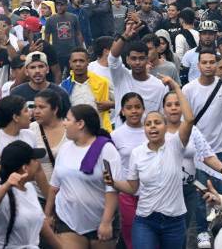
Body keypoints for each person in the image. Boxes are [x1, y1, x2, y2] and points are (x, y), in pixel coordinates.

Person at [104, 77, 193, 249]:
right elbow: (132, 187)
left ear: (165, 127)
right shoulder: (137, 153)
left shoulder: (175, 144)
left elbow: (189, 119)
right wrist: (113, 182)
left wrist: (175, 87)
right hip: (145, 220)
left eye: (157, 123)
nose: (153, 127)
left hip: (174, 220)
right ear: (144, 129)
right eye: (149, 124)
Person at [182, 50, 222, 248]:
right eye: (204, 62)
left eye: (211, 62)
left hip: (221, 149)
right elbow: (186, 122)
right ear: (198, 65)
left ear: (217, 65)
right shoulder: (188, 89)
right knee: (200, 194)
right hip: (198, 153)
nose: (208, 66)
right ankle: (202, 231)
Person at [45, 104, 119, 248]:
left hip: (100, 220)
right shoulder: (65, 148)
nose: (64, 123)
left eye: (67, 119)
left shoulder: (106, 149)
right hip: (67, 220)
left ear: (80, 124)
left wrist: (106, 222)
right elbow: (54, 186)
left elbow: (112, 189)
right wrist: (48, 214)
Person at [0, 140, 61, 249]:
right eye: (34, 160)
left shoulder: (29, 188)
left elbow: (41, 224)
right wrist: (7, 186)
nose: (38, 163)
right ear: (25, 167)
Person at [108, 14, 167, 123]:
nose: (137, 62)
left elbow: (162, 117)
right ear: (127, 60)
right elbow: (112, 58)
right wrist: (124, 36)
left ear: (147, 59)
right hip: (122, 138)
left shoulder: (159, 86)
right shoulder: (121, 77)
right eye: (133, 58)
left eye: (141, 58)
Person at [110, 93, 146, 249]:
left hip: (151, 193)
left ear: (143, 109)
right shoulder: (116, 135)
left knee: (150, 234)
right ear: (122, 111)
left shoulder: (152, 130)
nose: (134, 111)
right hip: (126, 193)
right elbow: (109, 165)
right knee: (132, 233)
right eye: (129, 108)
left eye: (138, 107)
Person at [60, 48, 112, 131]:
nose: (78, 64)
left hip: (99, 131)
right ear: (70, 63)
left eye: (81, 61)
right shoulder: (63, 87)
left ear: (88, 62)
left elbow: (122, 102)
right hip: (74, 133)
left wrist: (111, 105)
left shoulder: (102, 83)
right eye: (75, 61)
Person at [29, 89, 67, 200]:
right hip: (37, 196)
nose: (36, 111)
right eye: (34, 107)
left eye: (41, 107)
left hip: (66, 195)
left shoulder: (69, 128)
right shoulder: (30, 130)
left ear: (55, 109)